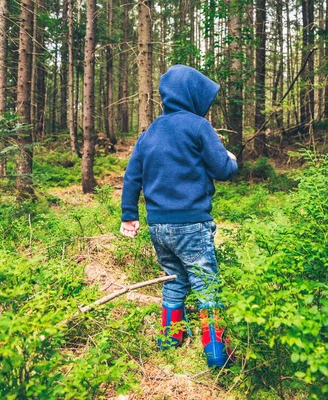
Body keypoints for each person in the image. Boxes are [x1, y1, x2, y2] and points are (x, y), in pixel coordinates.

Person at [120, 65, 238, 368]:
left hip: (158, 226)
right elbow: (222, 169)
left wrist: (129, 215)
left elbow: (132, 177)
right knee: (206, 285)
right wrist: (232, 161)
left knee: (174, 280)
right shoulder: (198, 126)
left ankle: (169, 340)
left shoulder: (149, 134)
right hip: (192, 224)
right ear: (192, 95)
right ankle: (216, 354)